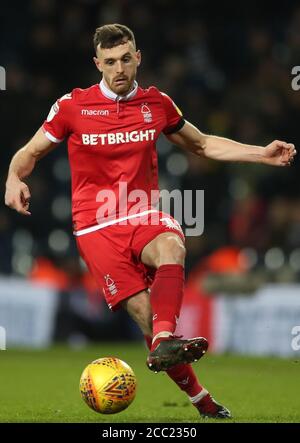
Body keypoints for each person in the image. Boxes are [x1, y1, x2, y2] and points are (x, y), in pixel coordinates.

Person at [5, 24, 296, 419]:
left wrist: (261, 153)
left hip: (141, 211)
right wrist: (13, 177)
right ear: (97, 64)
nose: (119, 68)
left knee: (172, 244)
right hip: (95, 227)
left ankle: (164, 337)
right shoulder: (72, 107)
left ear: (138, 57)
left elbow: (203, 143)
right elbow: (30, 151)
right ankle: (200, 398)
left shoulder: (156, 104)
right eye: (110, 62)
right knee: (145, 315)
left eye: (126, 58)